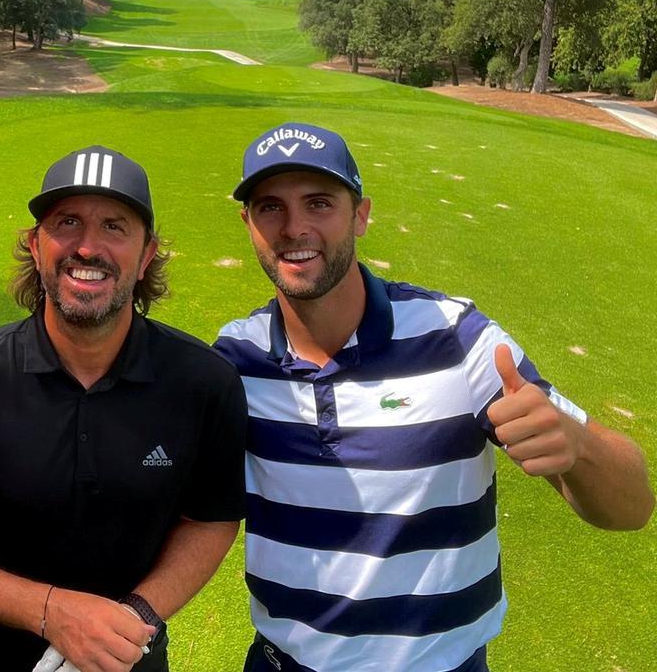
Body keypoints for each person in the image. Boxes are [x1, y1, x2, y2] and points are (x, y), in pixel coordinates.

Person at [213, 122, 655, 672]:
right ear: (248, 224)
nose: (294, 227)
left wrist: (578, 447)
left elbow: (633, 508)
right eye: (270, 208)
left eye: (319, 203)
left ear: (361, 215)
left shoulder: (457, 338)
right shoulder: (234, 358)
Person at [0, 145, 247, 672]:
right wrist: (54, 614)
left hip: (128, 659)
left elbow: (210, 519)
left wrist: (133, 615)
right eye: (67, 222)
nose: (87, 247)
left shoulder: (203, 382)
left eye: (115, 227)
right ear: (35, 245)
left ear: (147, 255)